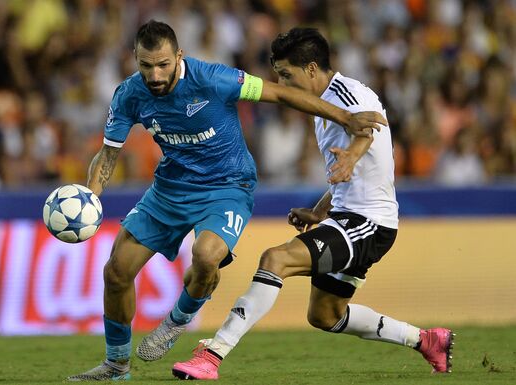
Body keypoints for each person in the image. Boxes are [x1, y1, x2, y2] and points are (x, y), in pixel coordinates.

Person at [67, 20, 387, 381]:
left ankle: (178, 320)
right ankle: (116, 365)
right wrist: (91, 196)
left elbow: (280, 94)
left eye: (163, 65)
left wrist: (345, 118)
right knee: (117, 271)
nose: (154, 75)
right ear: (135, 60)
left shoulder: (214, 79)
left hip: (227, 186)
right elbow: (108, 154)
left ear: (179, 57)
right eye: (146, 66)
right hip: (170, 189)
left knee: (206, 257)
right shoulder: (129, 94)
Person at [172, 27, 454, 381]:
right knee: (325, 315)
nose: (282, 83)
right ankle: (426, 340)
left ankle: (213, 355)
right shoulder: (320, 108)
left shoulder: (350, 94)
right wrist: (320, 211)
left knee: (276, 259)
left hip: (368, 223)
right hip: (349, 218)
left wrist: (351, 155)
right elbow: (349, 170)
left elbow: (368, 130)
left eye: (287, 75)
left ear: (310, 69)